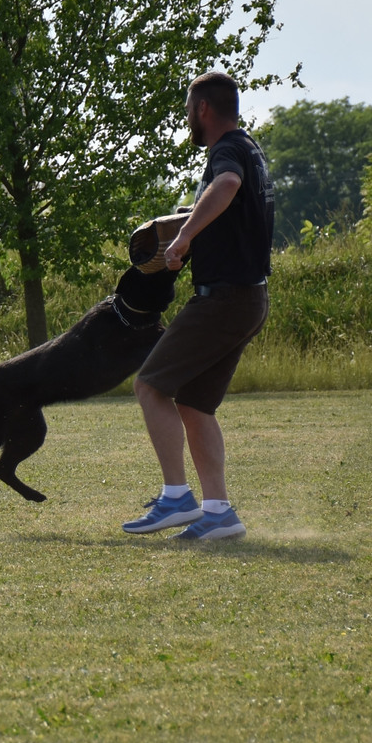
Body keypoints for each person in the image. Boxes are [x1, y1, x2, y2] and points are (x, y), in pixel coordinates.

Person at [123, 71, 274, 541]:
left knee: (149, 385)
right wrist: (186, 223)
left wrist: (184, 237)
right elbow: (232, 206)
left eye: (189, 109)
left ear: (203, 108)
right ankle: (219, 513)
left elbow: (225, 185)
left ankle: (176, 499)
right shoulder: (250, 148)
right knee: (194, 403)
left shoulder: (226, 153)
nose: (187, 116)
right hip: (247, 297)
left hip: (225, 299)